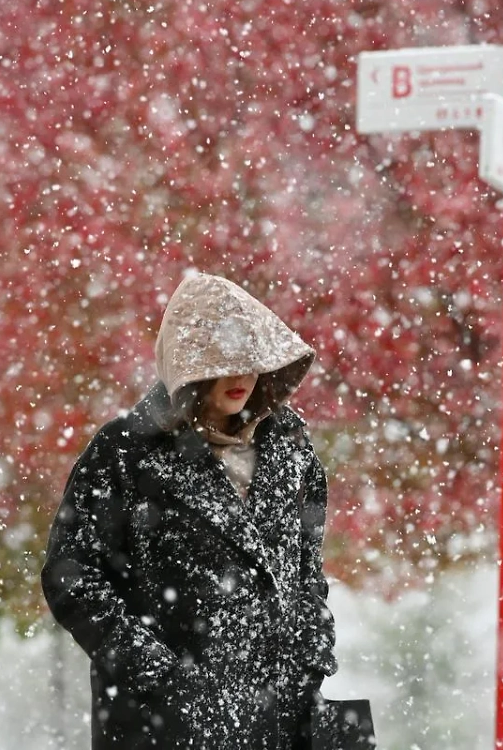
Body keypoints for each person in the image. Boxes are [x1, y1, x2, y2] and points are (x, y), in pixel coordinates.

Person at [42, 272, 338, 750]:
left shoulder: (292, 452)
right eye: (225, 361)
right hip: (162, 727)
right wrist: (161, 677)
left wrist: (310, 660)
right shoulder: (127, 452)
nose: (242, 376)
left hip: (278, 722)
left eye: (252, 359)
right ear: (190, 361)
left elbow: (305, 576)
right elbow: (70, 577)